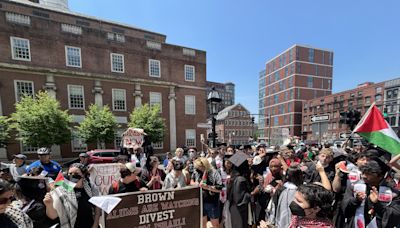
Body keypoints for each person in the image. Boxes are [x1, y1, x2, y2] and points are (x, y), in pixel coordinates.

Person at [341, 160, 400, 228]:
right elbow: (344, 207)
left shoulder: (393, 193)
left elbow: (395, 216)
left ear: (380, 176)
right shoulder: (355, 187)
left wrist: (378, 204)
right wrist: (356, 200)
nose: (364, 176)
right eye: (363, 172)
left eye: (368, 173)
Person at [44, 163, 101, 228]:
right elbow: (53, 216)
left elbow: (97, 208)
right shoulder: (61, 191)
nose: (73, 176)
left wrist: (95, 224)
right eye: (70, 174)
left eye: (76, 174)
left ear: (83, 175)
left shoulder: (90, 187)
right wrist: (49, 205)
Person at [191, 157, 223, 228]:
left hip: (212, 202)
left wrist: (208, 187)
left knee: (215, 225)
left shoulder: (214, 172)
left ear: (204, 165)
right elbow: (191, 181)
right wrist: (196, 184)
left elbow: (220, 188)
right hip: (200, 201)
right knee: (202, 224)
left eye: (199, 167)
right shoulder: (196, 171)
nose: (198, 168)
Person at [226, 151, 252, 228]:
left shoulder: (234, 177)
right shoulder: (240, 179)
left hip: (234, 208)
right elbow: (239, 199)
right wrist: (251, 194)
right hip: (239, 210)